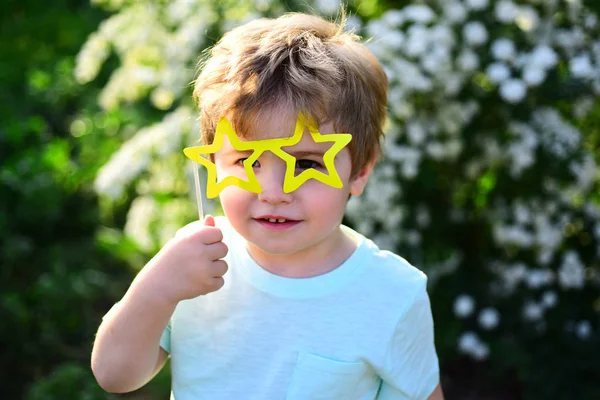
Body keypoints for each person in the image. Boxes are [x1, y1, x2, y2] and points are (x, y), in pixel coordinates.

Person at [91, 12, 444, 400]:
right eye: (248, 161)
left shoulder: (391, 293)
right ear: (213, 163)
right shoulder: (194, 264)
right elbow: (114, 376)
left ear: (359, 170)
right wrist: (156, 290)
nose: (273, 192)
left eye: (307, 163)